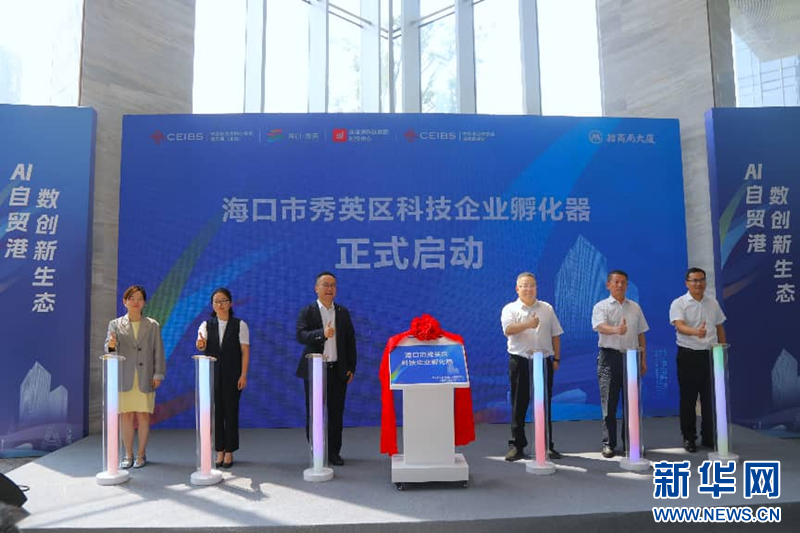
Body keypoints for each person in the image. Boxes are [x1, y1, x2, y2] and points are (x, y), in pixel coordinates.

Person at [295, 271, 357, 466]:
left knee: (336, 413)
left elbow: (350, 341)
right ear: (316, 288)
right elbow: (300, 335)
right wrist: (322, 333)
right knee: (315, 413)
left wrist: (351, 367)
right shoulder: (308, 311)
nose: (329, 288)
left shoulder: (343, 312)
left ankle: (334, 452)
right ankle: (317, 452)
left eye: (332, 285)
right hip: (315, 370)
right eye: (325, 285)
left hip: (338, 369)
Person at [501, 272, 564, 461]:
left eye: (532, 285)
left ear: (536, 287)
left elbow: (556, 335)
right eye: (524, 285)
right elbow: (508, 330)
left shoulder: (547, 308)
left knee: (543, 404)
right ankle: (517, 445)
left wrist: (556, 359)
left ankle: (546, 445)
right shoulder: (510, 309)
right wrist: (528, 324)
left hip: (543, 361)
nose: (529, 289)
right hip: (520, 361)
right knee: (519, 404)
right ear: (517, 289)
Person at [105, 285, 166, 469]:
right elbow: (109, 349)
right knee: (126, 417)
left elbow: (158, 351)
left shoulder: (152, 325)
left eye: (139, 298)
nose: (135, 302)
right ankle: (128, 454)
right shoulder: (115, 324)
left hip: (145, 376)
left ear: (144, 302)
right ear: (124, 302)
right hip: (124, 377)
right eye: (131, 298)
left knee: (143, 416)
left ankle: (141, 454)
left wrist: (158, 374)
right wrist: (112, 345)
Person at [591, 270, 648, 458]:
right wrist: (617, 329)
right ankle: (609, 444)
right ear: (608, 285)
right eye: (616, 282)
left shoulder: (635, 307)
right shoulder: (601, 306)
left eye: (623, 282)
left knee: (631, 403)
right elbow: (600, 326)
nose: (620, 285)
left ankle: (631, 442)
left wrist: (643, 359)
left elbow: (641, 334)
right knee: (609, 404)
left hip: (631, 357)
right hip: (609, 358)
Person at [669, 267, 726, 453]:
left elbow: (719, 327)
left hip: (711, 355)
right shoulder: (679, 303)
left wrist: (722, 350)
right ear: (687, 283)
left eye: (701, 280)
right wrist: (696, 332)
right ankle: (689, 437)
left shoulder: (712, 302)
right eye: (694, 280)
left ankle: (709, 436)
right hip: (689, 355)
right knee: (689, 398)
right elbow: (679, 326)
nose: (698, 284)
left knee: (710, 398)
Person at [196, 287, 250, 468]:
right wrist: (201, 343)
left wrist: (243, 374)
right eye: (216, 301)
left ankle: (230, 451)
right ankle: (219, 449)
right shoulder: (206, 325)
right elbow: (201, 345)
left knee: (231, 412)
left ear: (230, 303)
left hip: (233, 375)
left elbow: (245, 351)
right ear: (212, 305)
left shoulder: (240, 325)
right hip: (212, 375)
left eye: (224, 301)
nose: (220, 305)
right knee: (216, 413)